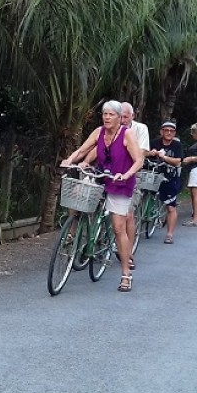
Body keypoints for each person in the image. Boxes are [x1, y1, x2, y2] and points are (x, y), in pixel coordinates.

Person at [61, 100, 144, 292]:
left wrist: (127, 174)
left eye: (111, 114)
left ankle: (125, 274)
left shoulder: (126, 134)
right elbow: (83, 150)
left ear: (119, 117)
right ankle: (74, 231)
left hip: (120, 182)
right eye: (104, 114)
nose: (107, 117)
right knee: (77, 194)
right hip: (100, 176)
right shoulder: (98, 132)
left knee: (118, 228)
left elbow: (139, 159)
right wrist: (70, 160)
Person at [148, 121, 184, 244]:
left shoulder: (177, 145)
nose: (169, 133)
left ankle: (169, 234)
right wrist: (150, 153)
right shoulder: (154, 143)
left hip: (170, 177)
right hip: (153, 175)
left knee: (171, 207)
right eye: (166, 130)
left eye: (171, 131)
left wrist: (164, 158)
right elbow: (143, 155)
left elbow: (178, 161)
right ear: (161, 131)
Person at [121, 103, 149, 256]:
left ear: (132, 116)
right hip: (113, 172)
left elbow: (142, 152)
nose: (123, 119)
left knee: (128, 213)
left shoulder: (140, 129)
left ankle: (128, 253)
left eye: (126, 116)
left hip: (133, 172)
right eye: (121, 116)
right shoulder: (112, 128)